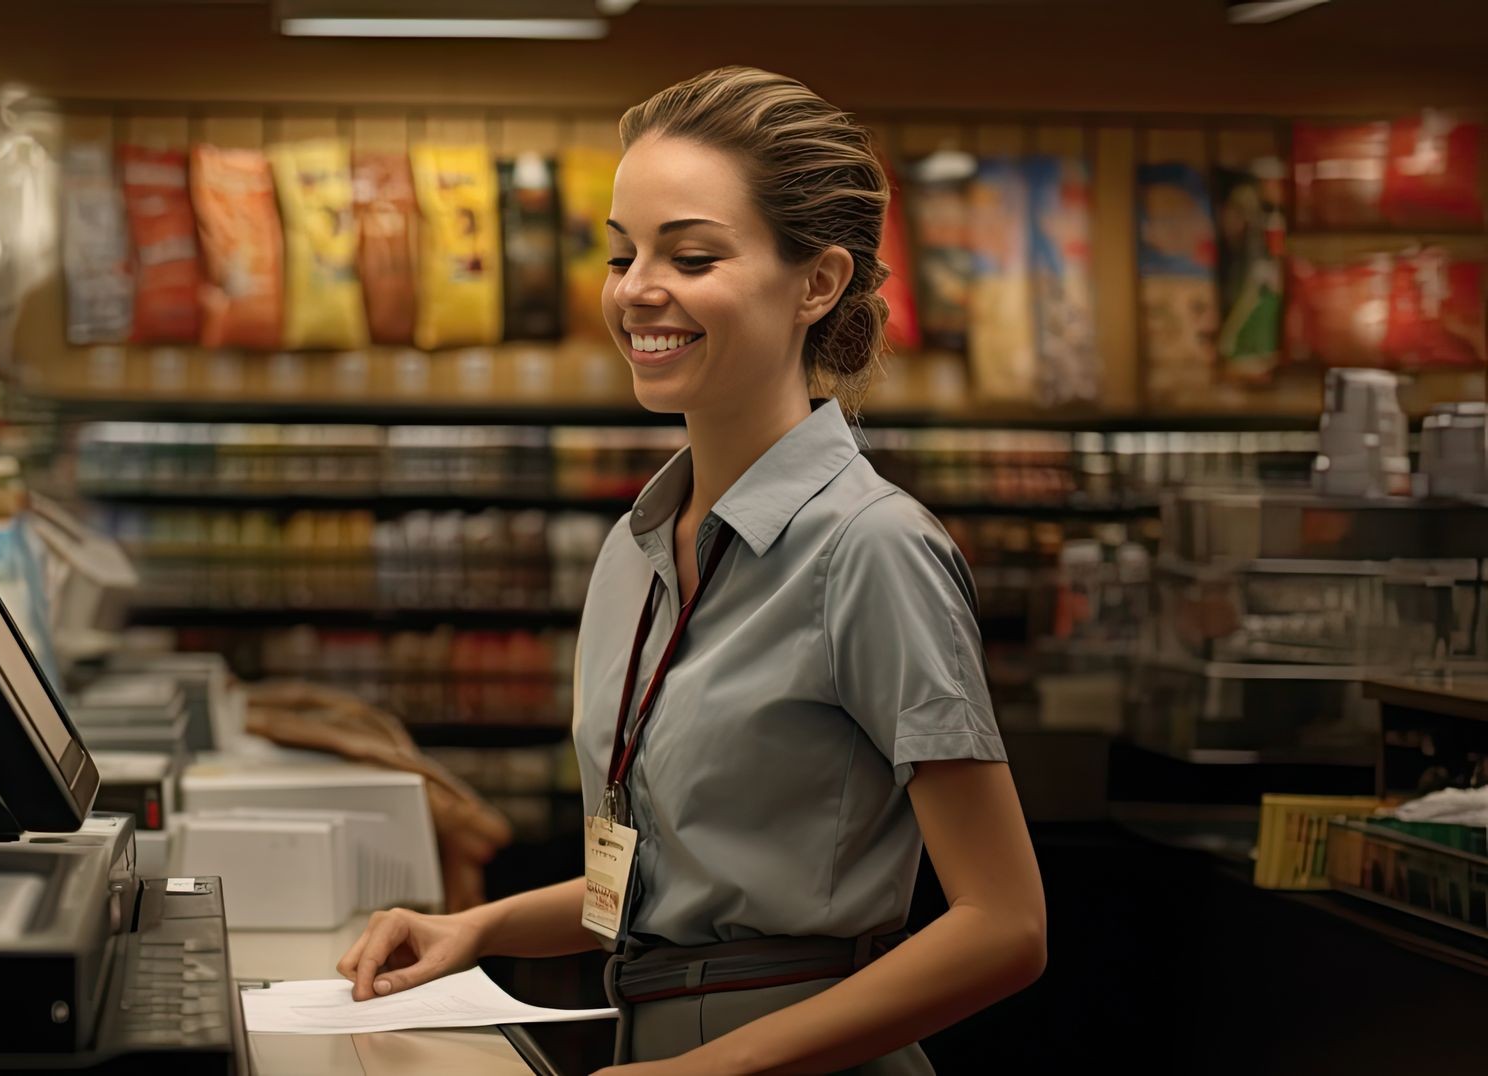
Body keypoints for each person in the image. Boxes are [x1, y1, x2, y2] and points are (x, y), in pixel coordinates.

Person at [338, 66, 1047, 1074]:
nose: (636, 290)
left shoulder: (872, 548)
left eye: (693, 255)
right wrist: (478, 928)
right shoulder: (638, 545)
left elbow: (1004, 924)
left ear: (818, 283)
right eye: (622, 253)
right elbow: (651, 880)